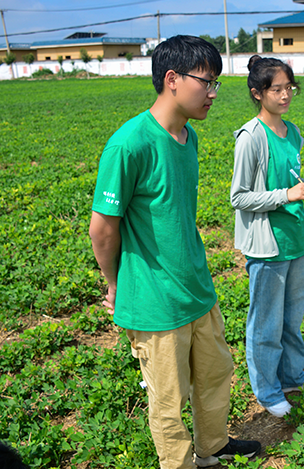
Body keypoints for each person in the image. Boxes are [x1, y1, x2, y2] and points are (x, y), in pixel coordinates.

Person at [89, 35, 260, 469]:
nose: (213, 93)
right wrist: (116, 285)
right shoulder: (130, 144)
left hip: (197, 288)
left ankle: (212, 447)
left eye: (217, 83)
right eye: (207, 82)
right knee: (168, 400)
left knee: (216, 375)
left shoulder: (189, 138)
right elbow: (103, 229)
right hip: (154, 298)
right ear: (172, 79)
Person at [230, 55, 304, 418]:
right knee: (266, 322)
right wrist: (285, 196)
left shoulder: (292, 132)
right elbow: (238, 197)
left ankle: (291, 375)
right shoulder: (250, 138)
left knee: (291, 317)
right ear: (258, 93)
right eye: (277, 89)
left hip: (295, 238)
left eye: (290, 87)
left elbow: (289, 180)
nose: (286, 95)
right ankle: (268, 390)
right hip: (267, 244)